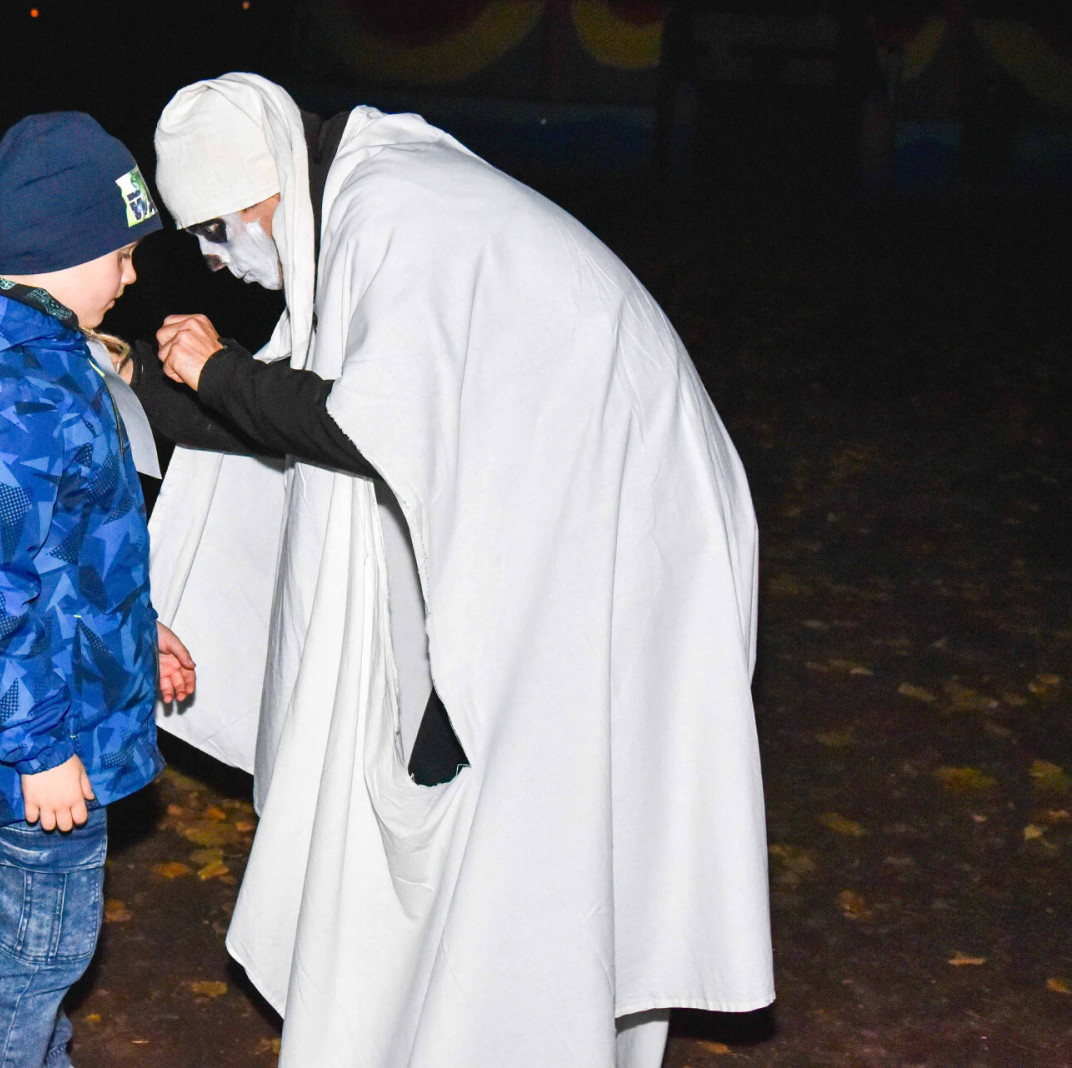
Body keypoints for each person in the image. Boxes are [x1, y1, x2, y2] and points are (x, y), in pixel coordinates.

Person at [134, 73, 775, 1067]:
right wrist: (138, 385)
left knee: (539, 798)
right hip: (550, 505)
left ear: (263, 184)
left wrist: (217, 370)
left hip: (616, 516)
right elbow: (292, 410)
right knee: (478, 789)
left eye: (218, 231)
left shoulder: (392, 210)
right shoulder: (348, 202)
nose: (219, 259)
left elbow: (351, 423)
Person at [0, 111, 196, 1068]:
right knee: (42, 949)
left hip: (61, 701)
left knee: (52, 938)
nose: (130, 277)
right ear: (67, 247)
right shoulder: (12, 395)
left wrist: (138, 631)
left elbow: (67, 545)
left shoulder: (51, 359)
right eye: (122, 256)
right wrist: (39, 748)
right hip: (35, 734)